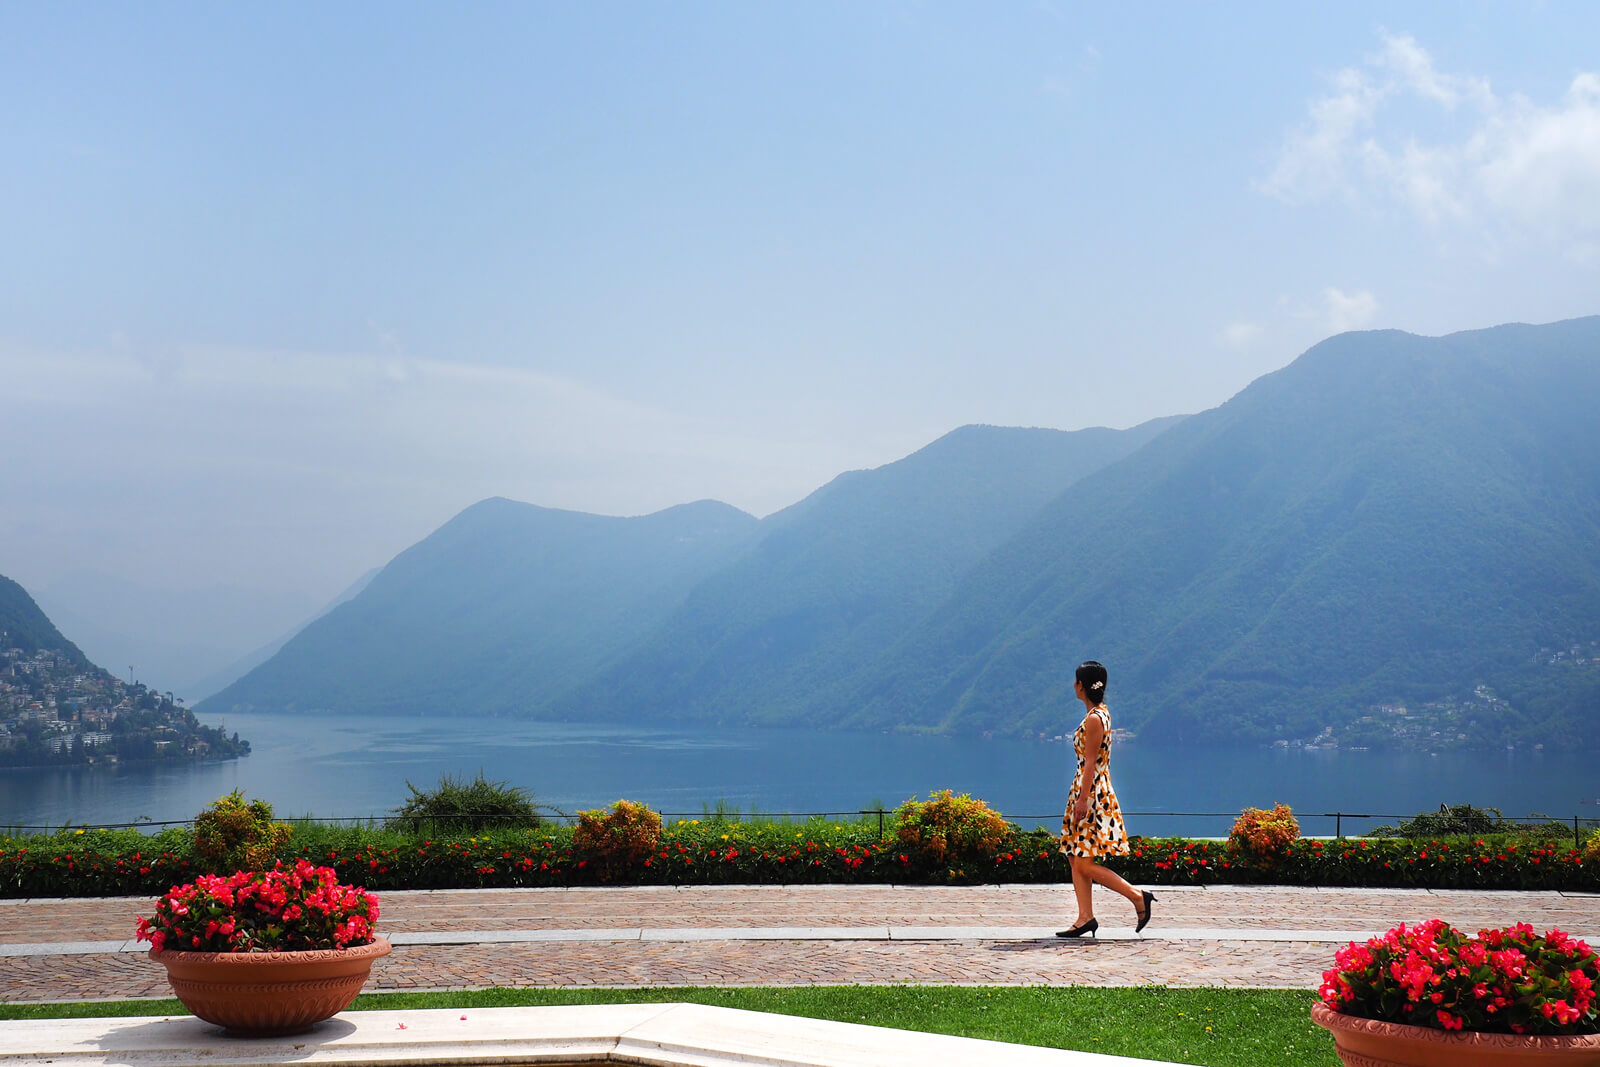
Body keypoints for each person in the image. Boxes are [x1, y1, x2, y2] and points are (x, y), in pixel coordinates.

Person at [1056, 660, 1154, 939]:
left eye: (1076, 682)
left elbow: (1090, 763)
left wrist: (1082, 800)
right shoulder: (1100, 714)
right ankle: (1084, 917)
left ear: (1081, 686)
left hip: (1092, 792)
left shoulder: (1095, 719)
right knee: (1076, 858)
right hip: (1090, 790)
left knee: (1084, 862)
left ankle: (1137, 896)